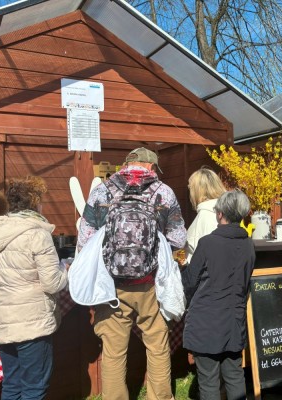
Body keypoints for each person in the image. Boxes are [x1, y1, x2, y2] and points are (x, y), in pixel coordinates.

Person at [78, 147, 187, 400]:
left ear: (126, 165)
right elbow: (179, 238)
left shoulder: (102, 191)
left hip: (111, 286)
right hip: (151, 283)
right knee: (158, 346)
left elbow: (85, 239)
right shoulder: (164, 192)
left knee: (114, 352)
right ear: (150, 167)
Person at [0, 177, 68, 400]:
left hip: (0, 319)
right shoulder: (37, 233)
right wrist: (66, 269)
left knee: (12, 384)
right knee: (34, 388)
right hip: (31, 322)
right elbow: (52, 283)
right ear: (36, 203)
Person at [181, 190, 255, 400]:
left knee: (208, 382)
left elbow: (190, 282)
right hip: (234, 320)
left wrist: (182, 268)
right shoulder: (249, 244)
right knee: (234, 376)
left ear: (220, 213)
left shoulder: (207, 243)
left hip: (206, 321)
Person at [185, 167, 226, 263]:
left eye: (191, 188)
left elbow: (199, 257)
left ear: (198, 190)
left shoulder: (204, 216)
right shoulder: (226, 211)